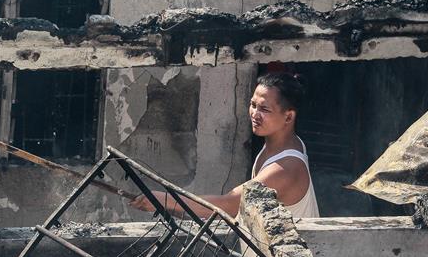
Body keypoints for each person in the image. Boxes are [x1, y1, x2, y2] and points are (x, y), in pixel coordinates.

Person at [129, 72, 320, 219]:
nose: (254, 114)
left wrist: (165, 200)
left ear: (288, 116)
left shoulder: (285, 168)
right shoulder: (286, 143)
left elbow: (231, 204)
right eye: (253, 105)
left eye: (264, 109)